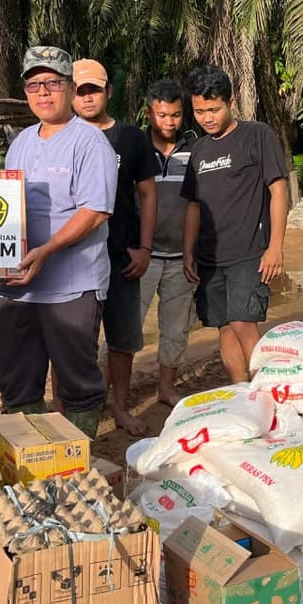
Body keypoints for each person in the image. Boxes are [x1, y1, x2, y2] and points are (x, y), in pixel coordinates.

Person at [0, 46, 118, 438]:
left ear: (70, 88)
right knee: (15, 378)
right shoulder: (21, 142)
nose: (43, 92)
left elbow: (95, 211)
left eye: (52, 83)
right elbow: (3, 205)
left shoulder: (89, 142)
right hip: (16, 284)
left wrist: (46, 250)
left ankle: (77, 455)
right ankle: (31, 453)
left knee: (77, 380)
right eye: (34, 85)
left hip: (70, 285)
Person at [181, 65, 288, 384]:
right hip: (210, 258)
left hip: (249, 253)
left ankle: (265, 391)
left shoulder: (257, 135)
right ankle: (241, 391)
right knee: (225, 327)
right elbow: (193, 205)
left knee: (243, 323)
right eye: (200, 112)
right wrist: (188, 251)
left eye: (214, 110)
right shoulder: (199, 150)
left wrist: (275, 246)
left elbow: (278, 189)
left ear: (231, 102)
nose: (207, 118)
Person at [71, 58, 159, 436]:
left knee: (122, 339)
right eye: (80, 91)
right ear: (70, 94)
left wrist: (145, 248)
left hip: (122, 257)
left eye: (94, 90)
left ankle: (119, 407)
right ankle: (68, 409)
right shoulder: (63, 137)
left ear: (108, 91)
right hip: (76, 260)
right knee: (75, 342)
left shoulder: (131, 138)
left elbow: (148, 195)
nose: (87, 97)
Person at [139, 78, 199, 406]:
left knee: (176, 330)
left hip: (181, 258)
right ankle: (107, 392)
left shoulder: (195, 149)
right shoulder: (136, 149)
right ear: (149, 113)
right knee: (127, 327)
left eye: (175, 115)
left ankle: (166, 388)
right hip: (142, 257)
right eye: (162, 115)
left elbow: (199, 204)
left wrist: (193, 252)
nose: (169, 122)